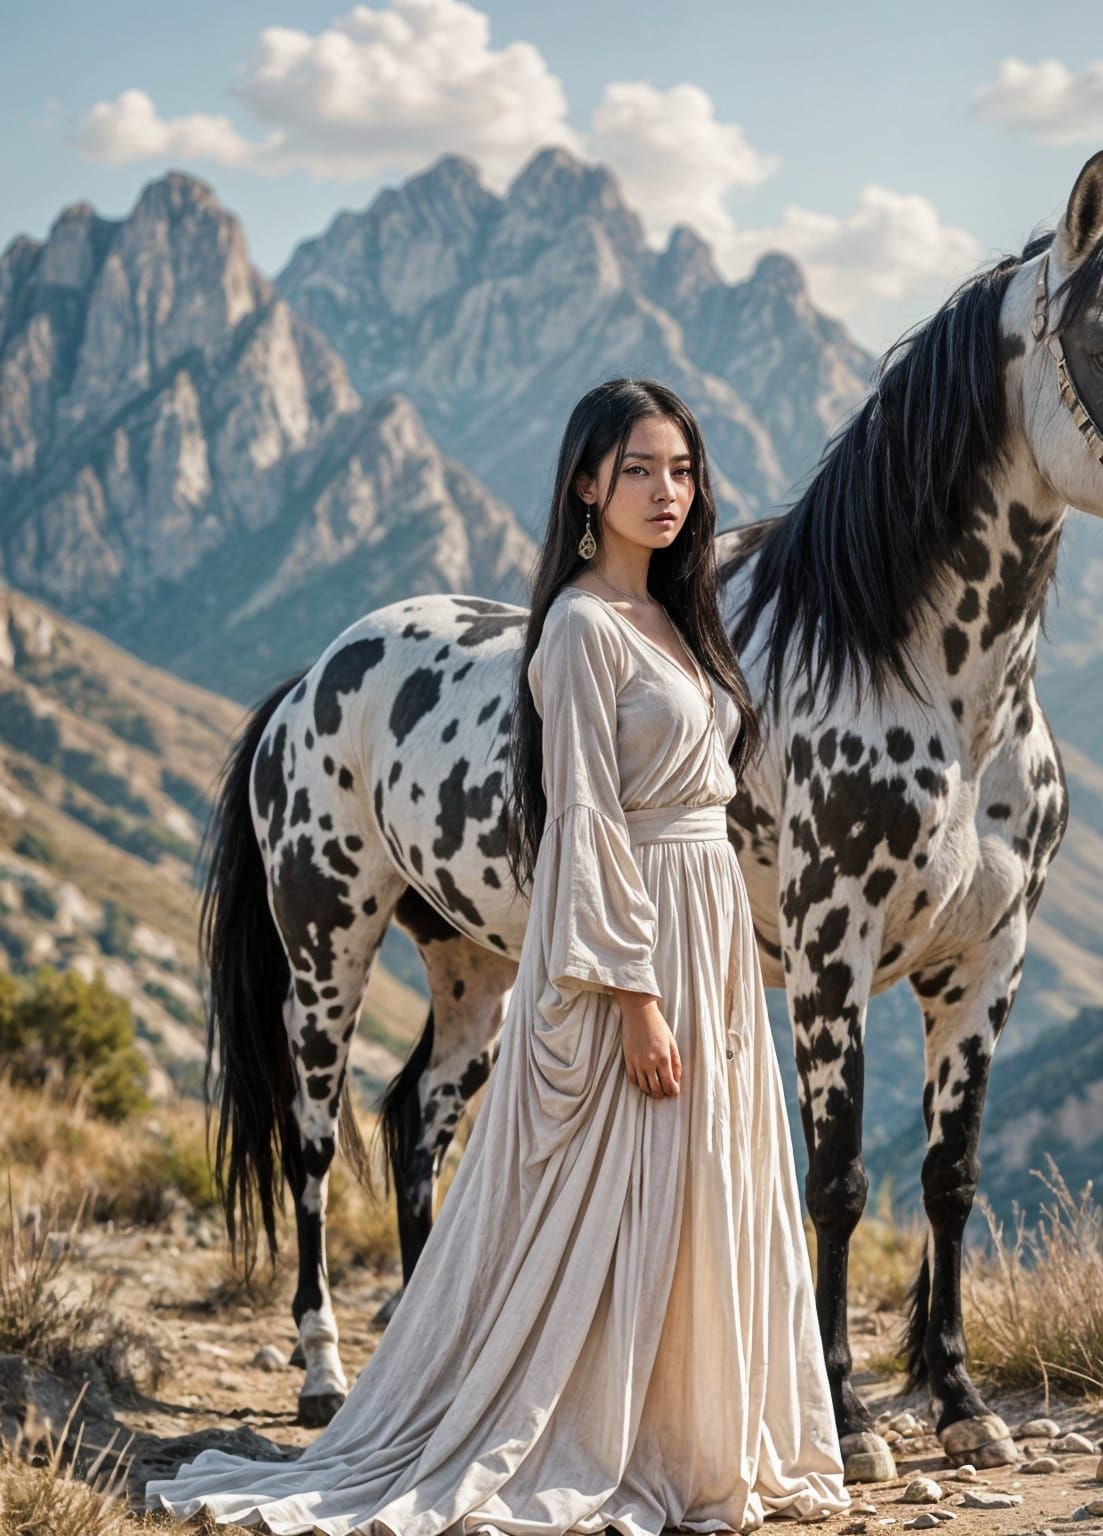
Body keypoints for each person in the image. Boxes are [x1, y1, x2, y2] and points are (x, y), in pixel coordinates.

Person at [143, 378, 853, 1536]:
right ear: (586, 486)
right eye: (638, 471)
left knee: (700, 1186)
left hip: (706, 922)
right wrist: (631, 996)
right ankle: (572, 1427)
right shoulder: (576, 629)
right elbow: (580, 818)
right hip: (633, 942)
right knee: (610, 1195)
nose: (666, 491)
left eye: (681, 469)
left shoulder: (678, 618)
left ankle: (692, 1429)